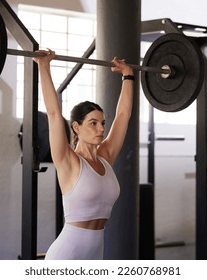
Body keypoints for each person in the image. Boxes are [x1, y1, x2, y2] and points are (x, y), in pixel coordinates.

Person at [32, 49, 134, 260]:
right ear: (76, 127)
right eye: (93, 123)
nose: (101, 129)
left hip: (96, 251)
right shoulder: (68, 160)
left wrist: (128, 76)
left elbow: (123, 115)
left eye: (103, 123)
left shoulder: (106, 157)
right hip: (68, 253)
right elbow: (53, 114)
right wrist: (43, 66)